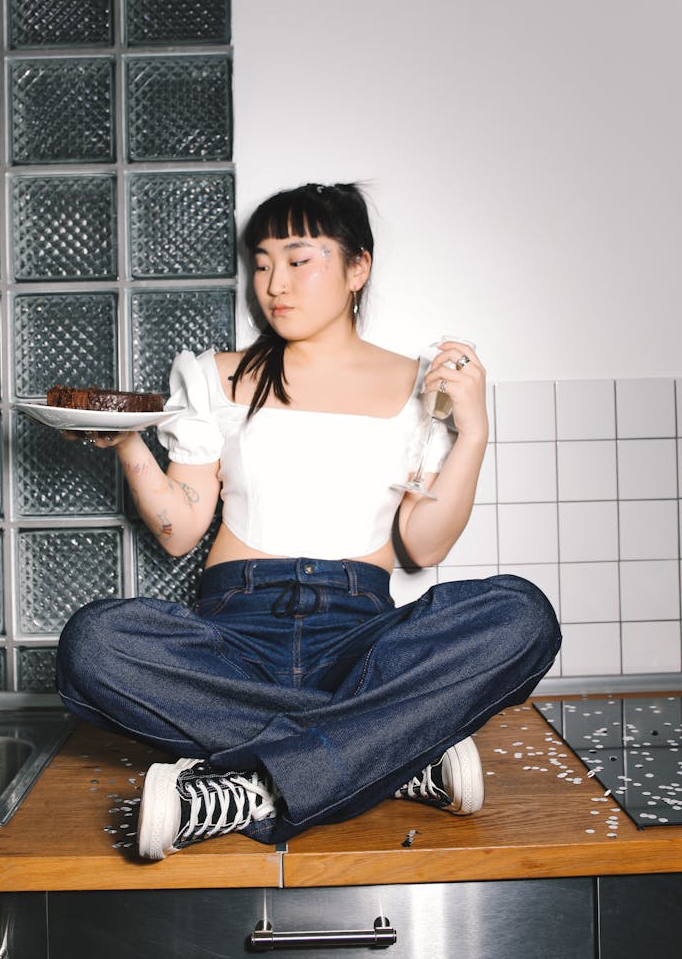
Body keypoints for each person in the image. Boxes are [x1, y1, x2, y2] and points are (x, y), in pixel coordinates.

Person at [56, 182, 561, 860]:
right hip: (234, 638)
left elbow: (421, 542)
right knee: (92, 642)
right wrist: (125, 442)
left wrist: (472, 432)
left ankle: (246, 786)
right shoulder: (217, 376)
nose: (274, 283)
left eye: (298, 260)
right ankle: (386, 758)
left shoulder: (420, 387)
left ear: (359, 267)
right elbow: (179, 528)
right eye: (261, 262)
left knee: (524, 616)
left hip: (361, 642)